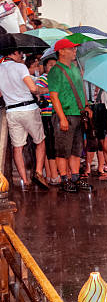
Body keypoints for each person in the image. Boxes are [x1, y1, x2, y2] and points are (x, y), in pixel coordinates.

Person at [47, 39, 93, 193]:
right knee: (62, 150)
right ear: (61, 51)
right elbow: (54, 96)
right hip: (65, 114)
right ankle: (65, 179)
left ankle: (75, 177)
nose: (75, 51)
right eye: (71, 49)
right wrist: (62, 118)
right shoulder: (56, 71)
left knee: (76, 149)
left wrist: (86, 106)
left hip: (78, 114)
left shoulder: (75, 68)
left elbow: (81, 90)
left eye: (75, 49)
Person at [0, 50, 49, 190]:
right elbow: (33, 88)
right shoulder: (20, 67)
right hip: (28, 109)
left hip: (11, 111)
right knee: (40, 141)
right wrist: (45, 91)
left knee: (18, 147)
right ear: (14, 53)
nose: (22, 57)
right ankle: (38, 172)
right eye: (20, 54)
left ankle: (25, 180)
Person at [35, 57, 60, 185]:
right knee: (50, 144)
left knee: (54, 144)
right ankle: (52, 175)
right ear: (45, 67)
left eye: (55, 65)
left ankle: (51, 174)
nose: (52, 68)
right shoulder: (43, 79)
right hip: (46, 115)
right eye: (50, 65)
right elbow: (38, 91)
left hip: (55, 114)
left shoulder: (56, 79)